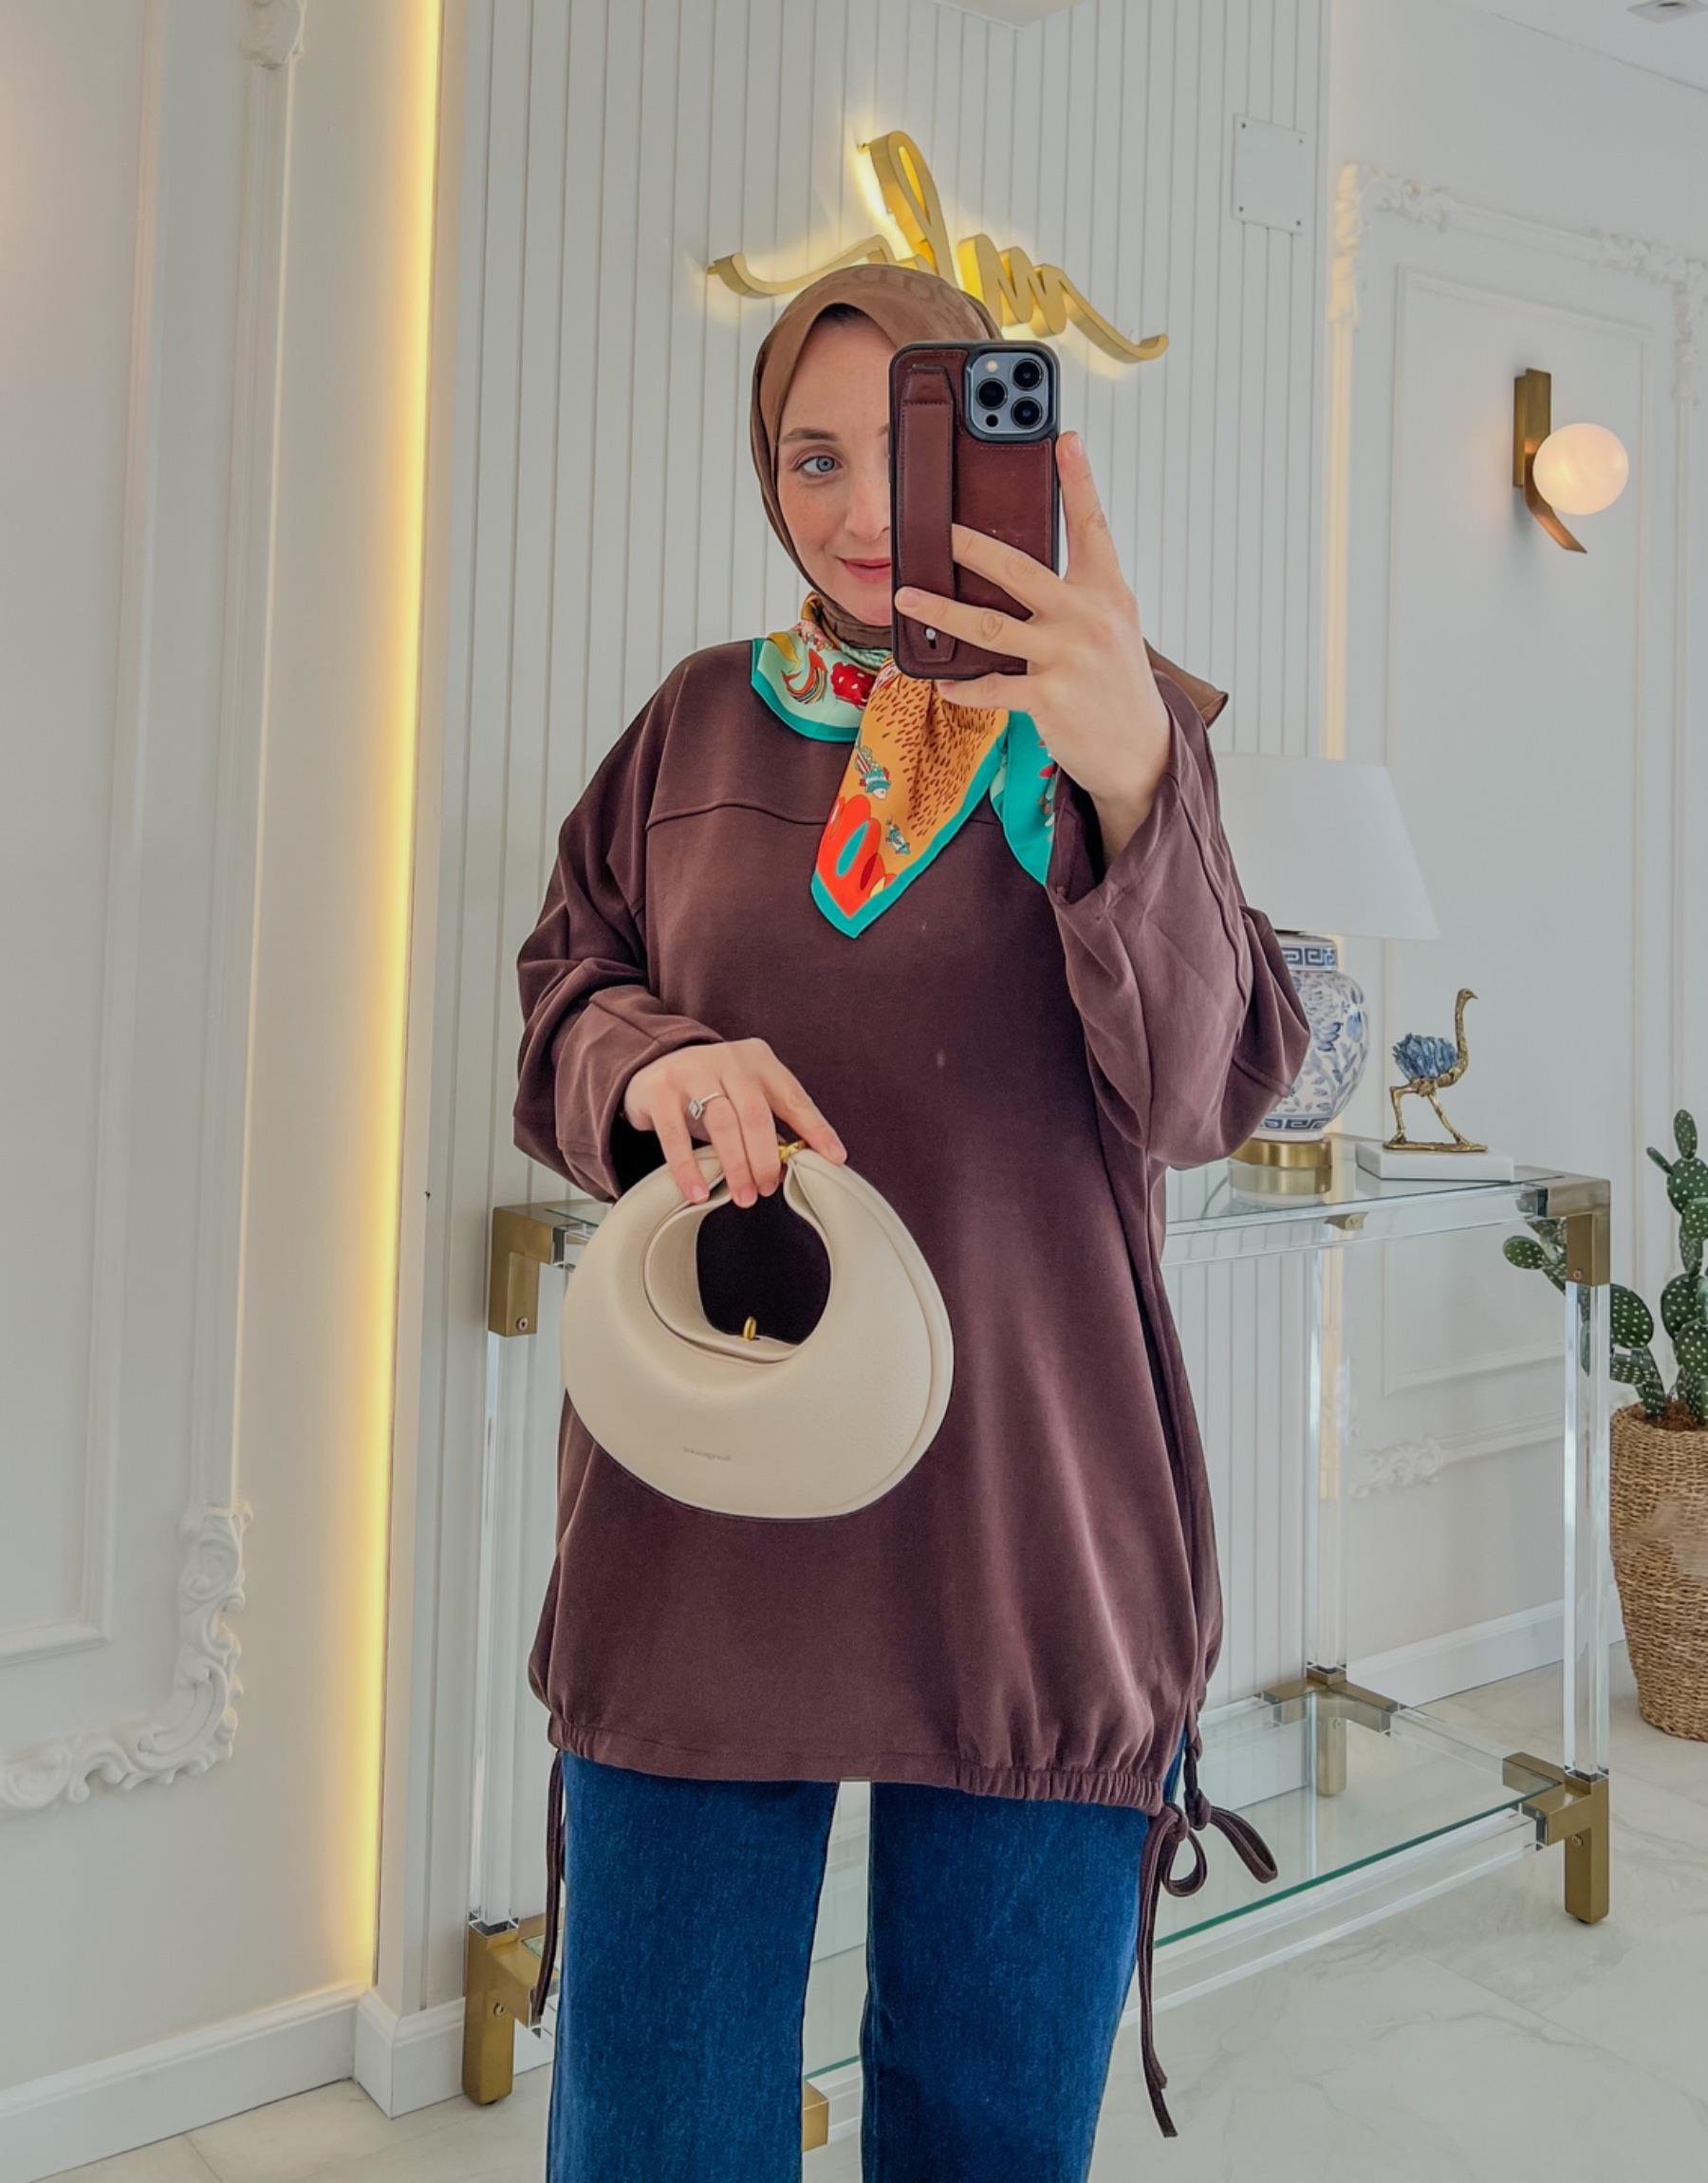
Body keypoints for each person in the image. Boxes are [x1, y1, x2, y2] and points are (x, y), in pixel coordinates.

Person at [512, 261, 1311, 2180]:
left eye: (908, 447)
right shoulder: (697, 730)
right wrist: (654, 1061)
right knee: (656, 2137)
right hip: (707, 1517)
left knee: (986, 2142)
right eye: (811, 458)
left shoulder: (1116, 729)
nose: (863, 509)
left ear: (1003, 453)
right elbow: (565, 996)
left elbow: (1204, 1088)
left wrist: (1132, 774)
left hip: (1029, 1521)